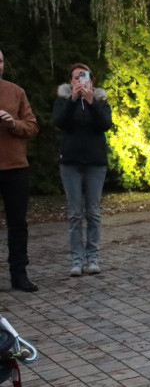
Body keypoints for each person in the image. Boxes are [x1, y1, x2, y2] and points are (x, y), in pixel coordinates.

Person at [53, 62, 112, 277]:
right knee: (75, 214)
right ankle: (77, 260)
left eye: (84, 76)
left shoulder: (101, 101)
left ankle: (93, 257)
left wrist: (91, 102)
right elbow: (59, 122)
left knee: (93, 213)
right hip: (71, 163)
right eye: (76, 77)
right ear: (71, 81)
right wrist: (73, 100)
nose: (80, 80)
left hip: (95, 163)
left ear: (92, 80)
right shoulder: (63, 101)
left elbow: (106, 124)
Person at [0, 49, 40, 292]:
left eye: (1, 60)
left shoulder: (16, 91)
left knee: (17, 224)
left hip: (15, 167)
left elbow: (33, 127)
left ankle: (19, 274)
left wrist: (12, 123)